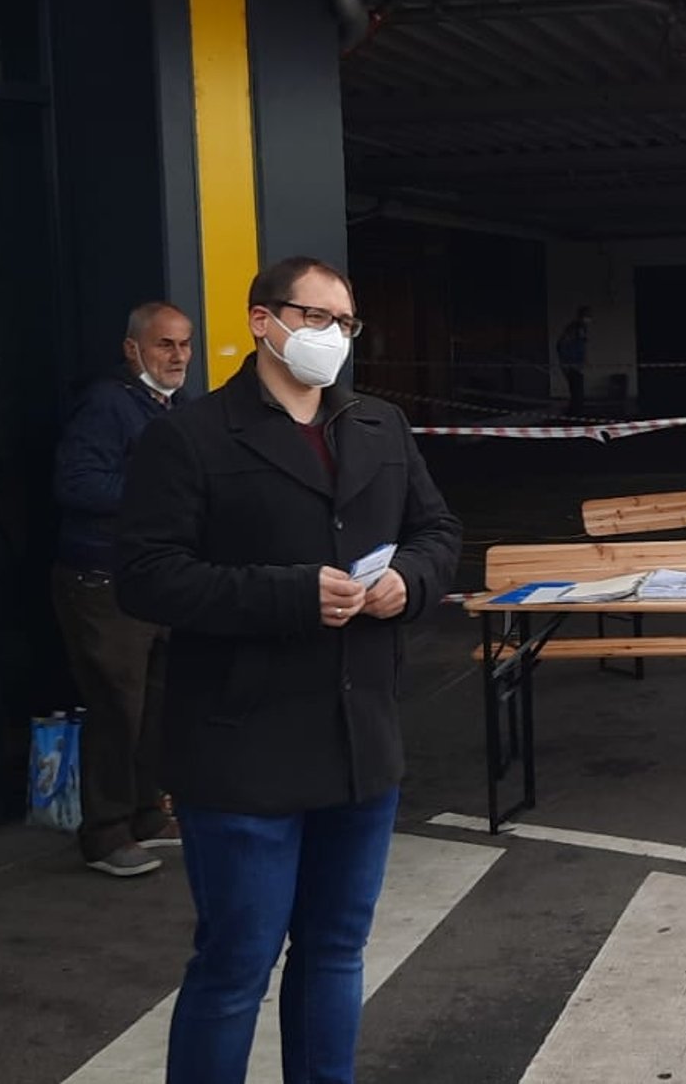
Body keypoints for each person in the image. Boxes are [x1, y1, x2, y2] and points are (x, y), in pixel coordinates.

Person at [114, 256, 462, 1084]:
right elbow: (147, 575)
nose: (331, 337)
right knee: (237, 963)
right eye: (315, 318)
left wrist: (407, 581)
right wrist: (289, 595)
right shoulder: (191, 436)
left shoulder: (379, 425)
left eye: (345, 323)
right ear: (263, 321)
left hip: (359, 740)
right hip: (242, 746)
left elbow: (439, 530)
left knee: (336, 951)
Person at [53, 301, 193, 877]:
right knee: (117, 708)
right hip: (102, 581)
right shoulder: (107, 404)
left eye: (185, 344)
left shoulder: (168, 405)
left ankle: (146, 815)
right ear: (133, 349)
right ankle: (105, 834)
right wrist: (157, 492)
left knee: (156, 706)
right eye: (165, 345)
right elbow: (77, 483)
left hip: (151, 580)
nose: (179, 356)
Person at [556, 306, 591, 416]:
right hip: (571, 363)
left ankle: (576, 411)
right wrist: (566, 362)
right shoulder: (574, 328)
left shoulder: (581, 328)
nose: (589, 319)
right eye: (587, 316)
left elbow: (581, 345)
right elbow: (562, 344)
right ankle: (575, 413)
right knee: (577, 389)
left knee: (577, 389)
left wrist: (583, 360)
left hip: (576, 363)